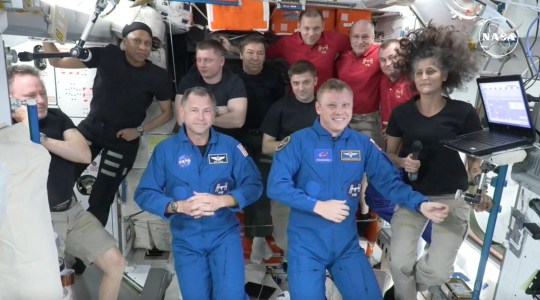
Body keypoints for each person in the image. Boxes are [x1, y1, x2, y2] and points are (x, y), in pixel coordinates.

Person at [267, 78, 450, 299]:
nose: (340, 112)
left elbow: (389, 183)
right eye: (332, 105)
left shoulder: (361, 144)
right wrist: (317, 206)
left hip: (345, 246)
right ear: (318, 107)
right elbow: (276, 186)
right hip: (306, 246)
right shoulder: (297, 142)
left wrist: (420, 203)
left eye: (346, 105)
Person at [384, 24, 493, 300]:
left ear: (445, 74)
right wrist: (403, 162)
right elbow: (389, 156)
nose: (424, 77)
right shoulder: (401, 113)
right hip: (412, 197)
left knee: (438, 271)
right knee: (398, 263)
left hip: (451, 197)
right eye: (419, 72)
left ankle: (401, 292)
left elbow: (475, 156)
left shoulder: (463, 113)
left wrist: (478, 189)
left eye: (430, 71)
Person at [9, 65, 125, 300]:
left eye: (42, 92)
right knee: (57, 286)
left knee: (115, 263)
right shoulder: (7, 129)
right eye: (30, 97)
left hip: (72, 211)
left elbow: (83, 154)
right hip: (40, 219)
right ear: (9, 100)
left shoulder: (57, 117)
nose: (40, 100)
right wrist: (26, 124)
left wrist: (43, 138)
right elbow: (25, 157)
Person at [135, 87, 263, 300]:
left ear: (214, 114)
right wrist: (178, 206)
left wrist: (223, 200)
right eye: (194, 110)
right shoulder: (166, 151)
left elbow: (254, 184)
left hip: (224, 236)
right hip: (187, 239)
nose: (201, 117)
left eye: (207, 111)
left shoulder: (231, 147)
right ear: (182, 113)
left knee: (231, 296)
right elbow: (144, 193)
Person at [42, 22, 174, 227]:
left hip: (122, 141)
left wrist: (139, 131)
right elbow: (58, 62)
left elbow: (167, 113)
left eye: (148, 44)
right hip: (92, 129)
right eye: (137, 41)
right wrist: (46, 33)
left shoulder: (157, 75)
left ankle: (87, 258)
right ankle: (56, 235)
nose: (143, 47)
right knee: (58, 180)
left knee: (101, 199)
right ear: (123, 42)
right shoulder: (109, 55)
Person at [228, 34, 286, 263]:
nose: (255, 58)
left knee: (262, 188)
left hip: (264, 139)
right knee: (243, 186)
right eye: (250, 53)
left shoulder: (274, 76)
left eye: (259, 53)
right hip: (237, 140)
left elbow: (280, 109)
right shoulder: (231, 76)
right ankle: (245, 239)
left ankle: (260, 239)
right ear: (241, 54)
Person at [259, 60, 319, 259]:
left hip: (319, 178)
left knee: (315, 234)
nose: (300, 88)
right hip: (286, 177)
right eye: (296, 83)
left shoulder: (326, 107)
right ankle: (289, 267)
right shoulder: (280, 107)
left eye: (306, 82)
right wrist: (294, 147)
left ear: (315, 82)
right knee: (285, 237)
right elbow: (266, 146)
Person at [220, 9, 350, 91]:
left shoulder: (334, 39)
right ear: (298, 27)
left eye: (316, 28)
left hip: (325, 97)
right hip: (296, 97)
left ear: (322, 27)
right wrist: (233, 48)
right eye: (306, 28)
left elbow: (358, 45)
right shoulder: (287, 43)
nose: (311, 33)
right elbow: (262, 54)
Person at [175, 39, 247, 133]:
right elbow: (181, 119)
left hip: (225, 140)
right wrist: (221, 110)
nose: (202, 65)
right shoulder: (188, 81)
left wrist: (197, 115)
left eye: (207, 60)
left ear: (221, 61)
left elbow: (238, 120)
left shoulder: (234, 82)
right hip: (192, 141)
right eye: (199, 60)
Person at [336, 20, 384, 147]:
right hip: (342, 116)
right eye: (356, 36)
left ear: (373, 37)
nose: (360, 41)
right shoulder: (343, 56)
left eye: (365, 37)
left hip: (368, 120)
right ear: (350, 38)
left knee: (372, 156)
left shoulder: (380, 54)